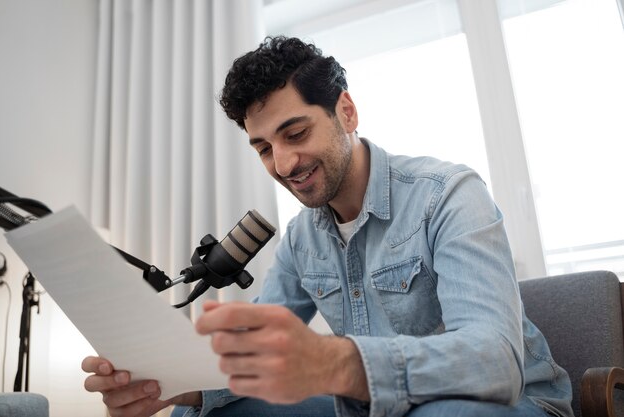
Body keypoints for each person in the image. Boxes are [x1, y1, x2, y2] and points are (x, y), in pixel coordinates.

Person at [82, 36, 574, 417]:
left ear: (346, 111)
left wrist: (334, 362)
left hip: (509, 403)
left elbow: (494, 362)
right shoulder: (303, 238)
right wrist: (170, 385)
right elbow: (255, 353)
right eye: (263, 148)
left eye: (295, 133)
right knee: (210, 410)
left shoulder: (447, 194)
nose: (283, 162)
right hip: (374, 409)